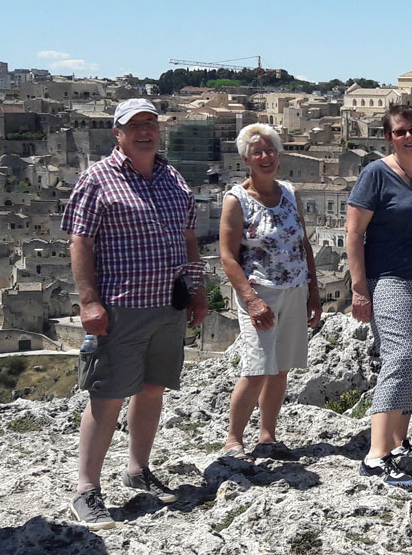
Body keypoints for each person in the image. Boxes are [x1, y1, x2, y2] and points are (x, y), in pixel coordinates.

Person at [62, 98, 208, 529]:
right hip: (121, 306)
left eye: (151, 124)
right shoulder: (97, 179)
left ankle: (137, 469)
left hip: (168, 304)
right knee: (107, 395)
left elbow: (188, 240)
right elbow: (80, 243)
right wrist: (89, 302)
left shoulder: (172, 178)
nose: (145, 131)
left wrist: (198, 291)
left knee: (152, 389)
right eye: (135, 125)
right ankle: (86, 490)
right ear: (118, 133)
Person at [346, 105, 412, 489]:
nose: (409, 137)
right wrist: (359, 288)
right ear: (389, 138)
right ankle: (376, 455)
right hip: (389, 278)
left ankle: (398, 441)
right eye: (400, 132)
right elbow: (354, 234)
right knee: (402, 353)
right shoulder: (375, 174)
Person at [219, 124, 321, 462]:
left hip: (293, 289)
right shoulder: (236, 200)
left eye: (270, 150)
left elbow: (303, 243)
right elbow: (227, 257)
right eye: (258, 152)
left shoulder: (290, 193)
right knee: (257, 367)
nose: (265, 157)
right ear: (246, 158)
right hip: (259, 294)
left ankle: (268, 437)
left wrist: (313, 293)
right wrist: (250, 299)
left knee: (281, 368)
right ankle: (233, 441)